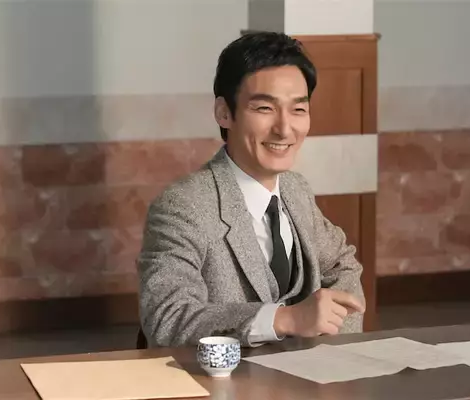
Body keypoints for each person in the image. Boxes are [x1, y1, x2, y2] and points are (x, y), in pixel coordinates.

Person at [137, 32, 365, 348]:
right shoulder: (183, 206)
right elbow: (167, 318)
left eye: (298, 110)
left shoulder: (296, 189)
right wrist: (285, 319)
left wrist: (333, 351)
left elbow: (343, 266)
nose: (284, 129)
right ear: (224, 113)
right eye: (265, 108)